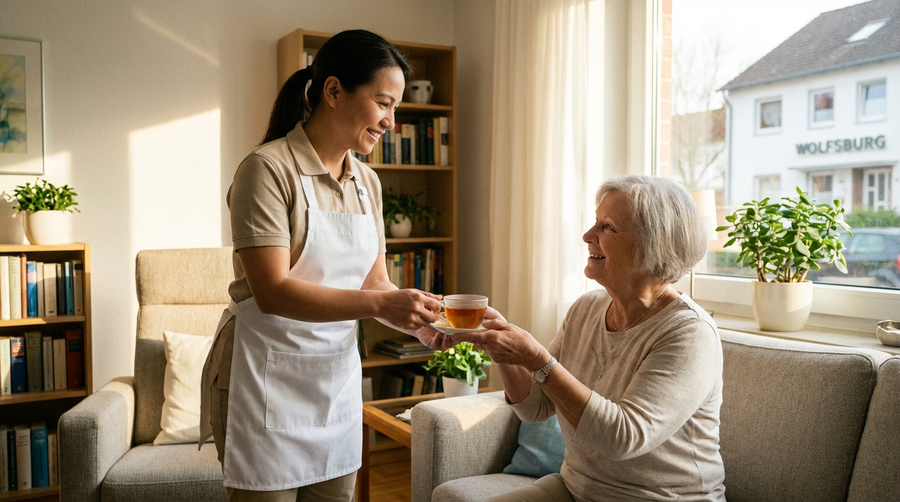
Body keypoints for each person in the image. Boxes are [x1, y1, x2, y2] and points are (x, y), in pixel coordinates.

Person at [199, 29, 445, 501]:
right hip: (263, 382)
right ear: (333, 91)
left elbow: (375, 282)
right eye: (383, 103)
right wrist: (383, 305)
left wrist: (419, 322)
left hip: (334, 385)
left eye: (395, 107)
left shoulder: (368, 182)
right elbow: (272, 291)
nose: (391, 121)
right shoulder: (267, 169)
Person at [456, 175, 726, 501]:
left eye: (607, 227)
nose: (587, 236)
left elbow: (623, 437)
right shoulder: (586, 309)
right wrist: (503, 348)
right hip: (576, 488)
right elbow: (536, 408)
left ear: (652, 244)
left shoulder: (689, 333)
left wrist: (537, 360)